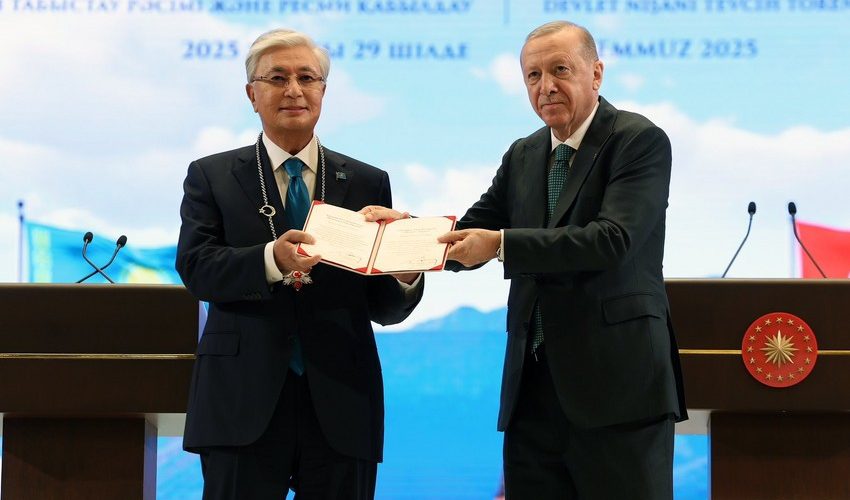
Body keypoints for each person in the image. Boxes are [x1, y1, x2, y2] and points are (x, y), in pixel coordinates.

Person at [437, 21, 687, 499]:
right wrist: (398, 235)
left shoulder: (638, 140)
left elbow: (611, 240)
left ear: (596, 74)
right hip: (532, 394)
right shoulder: (523, 154)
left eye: (560, 70)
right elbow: (468, 234)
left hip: (619, 392)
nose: (546, 86)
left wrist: (502, 244)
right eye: (533, 75)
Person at [176, 28, 423, 500]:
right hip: (240, 398)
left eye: (307, 78)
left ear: (323, 92)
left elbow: (384, 307)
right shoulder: (211, 175)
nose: (294, 90)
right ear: (252, 94)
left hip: (342, 399)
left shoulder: (367, 181)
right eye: (277, 78)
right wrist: (271, 260)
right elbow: (197, 267)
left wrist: (405, 270)